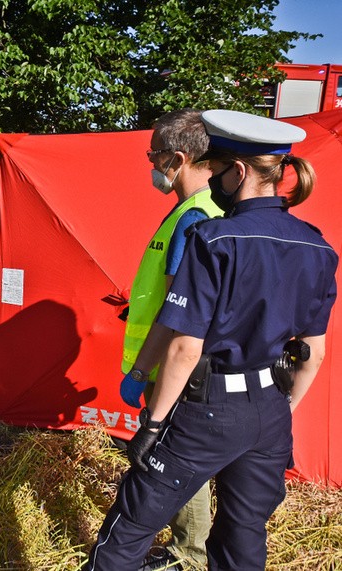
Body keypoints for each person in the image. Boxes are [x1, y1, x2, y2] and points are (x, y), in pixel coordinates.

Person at [86, 109, 338, 570]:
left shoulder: (214, 238)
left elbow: (185, 347)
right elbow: (314, 354)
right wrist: (276, 415)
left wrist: (154, 425)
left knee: (129, 532)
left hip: (207, 409)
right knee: (242, 540)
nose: (212, 179)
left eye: (216, 168)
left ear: (237, 172)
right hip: (271, 410)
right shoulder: (317, 246)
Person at [119, 108, 223, 569]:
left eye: (153, 155)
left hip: (175, 367)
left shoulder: (193, 217)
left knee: (177, 463)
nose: (151, 165)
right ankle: (190, 548)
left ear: (177, 158)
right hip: (178, 363)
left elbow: (182, 313)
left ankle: (189, 555)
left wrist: (144, 370)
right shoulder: (202, 210)